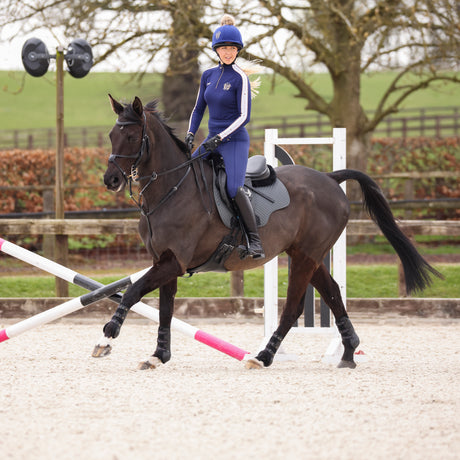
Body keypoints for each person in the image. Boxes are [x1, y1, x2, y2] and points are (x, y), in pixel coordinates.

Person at [185, 14, 265, 259]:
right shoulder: (208, 76)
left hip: (234, 141)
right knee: (189, 173)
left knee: (232, 187)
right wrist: (190, 134)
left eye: (231, 48)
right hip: (211, 139)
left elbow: (244, 117)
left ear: (237, 50)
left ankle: (255, 241)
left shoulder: (240, 77)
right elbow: (198, 108)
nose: (227, 52)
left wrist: (219, 138)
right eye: (223, 48)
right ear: (216, 50)